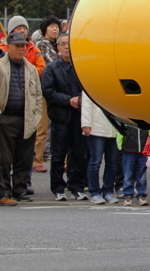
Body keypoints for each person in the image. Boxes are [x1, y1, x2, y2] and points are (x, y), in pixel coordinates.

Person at [41, 33, 88, 201]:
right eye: (63, 44)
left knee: (79, 154)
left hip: (79, 118)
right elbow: (48, 91)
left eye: (69, 43)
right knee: (58, 154)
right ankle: (58, 188)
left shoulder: (81, 67)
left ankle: (77, 186)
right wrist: (69, 100)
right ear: (58, 47)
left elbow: (90, 90)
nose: (66, 47)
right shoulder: (52, 68)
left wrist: (79, 100)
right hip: (60, 118)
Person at [0, 32, 44, 205]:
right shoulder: (1, 66)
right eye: (17, 46)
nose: (21, 49)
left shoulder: (31, 69)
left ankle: (20, 189)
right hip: (6, 118)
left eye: (23, 46)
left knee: (24, 158)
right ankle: (4, 191)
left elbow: (38, 95)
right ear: (8, 47)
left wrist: (36, 117)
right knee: (4, 158)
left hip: (27, 118)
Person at [31, 16, 61, 174]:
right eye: (51, 26)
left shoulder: (59, 44)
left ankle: (59, 159)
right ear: (45, 29)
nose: (55, 29)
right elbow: (52, 65)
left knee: (58, 127)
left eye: (57, 26)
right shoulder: (41, 44)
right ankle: (38, 160)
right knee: (42, 128)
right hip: (44, 90)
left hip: (58, 90)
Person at [80, 91, 120, 204]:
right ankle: (94, 192)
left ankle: (108, 191)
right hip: (96, 127)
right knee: (95, 161)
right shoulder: (92, 79)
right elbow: (86, 104)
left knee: (112, 162)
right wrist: (86, 123)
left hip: (114, 128)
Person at [120, 123, 150, 206]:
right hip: (128, 149)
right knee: (128, 174)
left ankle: (141, 194)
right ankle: (127, 194)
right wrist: (121, 145)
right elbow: (120, 131)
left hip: (144, 149)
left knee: (142, 174)